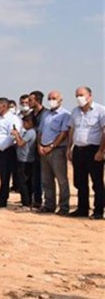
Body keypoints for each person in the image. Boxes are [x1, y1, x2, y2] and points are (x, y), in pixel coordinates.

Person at [67, 86, 105, 219]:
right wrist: (69, 148)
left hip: (93, 150)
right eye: (77, 95)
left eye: (81, 95)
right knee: (80, 182)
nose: (79, 98)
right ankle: (82, 209)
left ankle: (98, 211)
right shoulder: (75, 112)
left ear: (90, 96)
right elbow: (72, 130)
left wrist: (101, 151)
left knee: (97, 182)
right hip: (78, 150)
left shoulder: (100, 111)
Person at [37, 91, 71, 215]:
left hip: (57, 150)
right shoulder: (46, 115)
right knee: (46, 180)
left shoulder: (65, 114)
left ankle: (63, 207)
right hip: (44, 150)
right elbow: (40, 132)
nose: (52, 100)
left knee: (61, 180)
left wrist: (52, 146)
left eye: (54, 98)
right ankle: (49, 205)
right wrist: (39, 146)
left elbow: (63, 133)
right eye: (49, 98)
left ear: (60, 99)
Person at [12, 115, 38, 210]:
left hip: (25, 160)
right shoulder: (28, 132)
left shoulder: (30, 132)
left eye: (25, 122)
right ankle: (27, 202)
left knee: (23, 182)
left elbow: (20, 143)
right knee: (26, 182)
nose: (23, 124)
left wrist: (16, 135)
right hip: (24, 159)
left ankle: (26, 203)